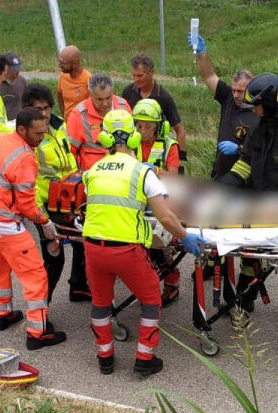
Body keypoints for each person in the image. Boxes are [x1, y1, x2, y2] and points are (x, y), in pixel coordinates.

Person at [81, 110, 207, 378]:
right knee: (150, 299)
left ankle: (105, 357)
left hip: (92, 248)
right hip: (125, 250)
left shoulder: (92, 172)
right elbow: (166, 216)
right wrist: (186, 237)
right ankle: (144, 359)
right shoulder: (141, 173)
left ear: (103, 137)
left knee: (101, 302)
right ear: (135, 136)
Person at [0, 108, 68, 350]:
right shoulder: (25, 158)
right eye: (37, 134)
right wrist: (45, 222)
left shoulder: (0, 140)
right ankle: (37, 333)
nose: (41, 138)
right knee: (35, 275)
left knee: (0, 264)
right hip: (4, 224)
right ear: (22, 130)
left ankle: (3, 314)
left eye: (44, 132)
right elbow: (27, 206)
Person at [217, 72, 278, 325]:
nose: (252, 111)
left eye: (256, 106)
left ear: (268, 106)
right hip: (260, 201)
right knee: (251, 252)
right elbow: (245, 164)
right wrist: (221, 187)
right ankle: (246, 297)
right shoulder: (260, 127)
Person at [65, 73, 131, 302]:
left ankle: (113, 272)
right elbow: (69, 155)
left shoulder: (122, 106)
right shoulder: (79, 115)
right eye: (99, 100)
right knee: (89, 235)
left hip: (122, 182)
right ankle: (81, 283)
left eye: (107, 98)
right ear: (89, 95)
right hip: (93, 186)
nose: (104, 104)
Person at [22, 83, 81, 304]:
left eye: (47, 108)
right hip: (45, 204)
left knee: (82, 244)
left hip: (68, 197)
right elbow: (29, 183)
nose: (44, 114)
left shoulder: (58, 125)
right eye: (38, 109)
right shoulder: (29, 137)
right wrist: (41, 218)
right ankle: (40, 309)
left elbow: (68, 155)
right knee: (54, 258)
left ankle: (78, 287)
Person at [132, 98, 182, 307]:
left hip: (161, 203)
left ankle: (171, 281)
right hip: (136, 202)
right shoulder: (130, 143)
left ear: (158, 126)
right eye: (139, 125)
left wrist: (156, 171)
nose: (142, 130)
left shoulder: (169, 145)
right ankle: (149, 283)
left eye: (148, 126)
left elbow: (174, 176)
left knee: (158, 247)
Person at [188, 34, 256, 180]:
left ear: (251, 90)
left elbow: (261, 150)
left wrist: (238, 149)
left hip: (244, 182)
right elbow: (209, 76)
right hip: (220, 176)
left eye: (240, 92)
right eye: (233, 90)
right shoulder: (228, 99)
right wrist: (202, 53)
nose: (236, 95)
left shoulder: (259, 112)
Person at [120, 54, 186, 166]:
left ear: (152, 72)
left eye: (140, 76)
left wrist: (181, 158)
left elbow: (179, 130)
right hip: (133, 148)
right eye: (133, 76)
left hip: (157, 149)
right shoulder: (127, 92)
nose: (136, 80)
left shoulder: (164, 97)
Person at [56, 45, 91, 121]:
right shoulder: (63, 76)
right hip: (68, 122)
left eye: (63, 63)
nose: (59, 66)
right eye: (60, 62)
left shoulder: (88, 79)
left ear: (75, 64)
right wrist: (64, 115)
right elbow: (59, 95)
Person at [0, 51, 27, 120]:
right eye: (13, 71)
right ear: (4, 69)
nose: (16, 75)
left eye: (18, 71)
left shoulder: (22, 81)